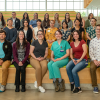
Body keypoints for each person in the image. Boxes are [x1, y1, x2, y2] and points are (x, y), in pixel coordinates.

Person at [89, 24, 100, 94]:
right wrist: (95, 60)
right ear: (95, 30)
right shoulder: (92, 41)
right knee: (92, 68)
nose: (99, 30)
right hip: (94, 59)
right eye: (97, 29)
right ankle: (95, 86)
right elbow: (90, 52)